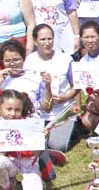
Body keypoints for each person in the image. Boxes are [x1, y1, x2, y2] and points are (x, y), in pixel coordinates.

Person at [0, 89, 47, 190]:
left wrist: (42, 138)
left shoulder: (29, 125)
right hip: (11, 163)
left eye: (17, 110)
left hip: (29, 165)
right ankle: (8, 187)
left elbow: (35, 153)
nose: (12, 114)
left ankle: (37, 181)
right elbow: (0, 152)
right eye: (9, 109)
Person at [26, 24, 78, 152]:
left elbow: (77, 86)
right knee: (30, 144)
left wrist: (66, 97)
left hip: (62, 112)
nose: (47, 43)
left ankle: (72, 129)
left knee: (58, 146)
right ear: (35, 41)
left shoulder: (65, 59)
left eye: (50, 39)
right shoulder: (28, 61)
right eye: (43, 39)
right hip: (38, 113)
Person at [71, 21, 99, 91]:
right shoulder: (82, 61)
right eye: (86, 37)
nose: (90, 40)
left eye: (93, 37)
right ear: (81, 39)